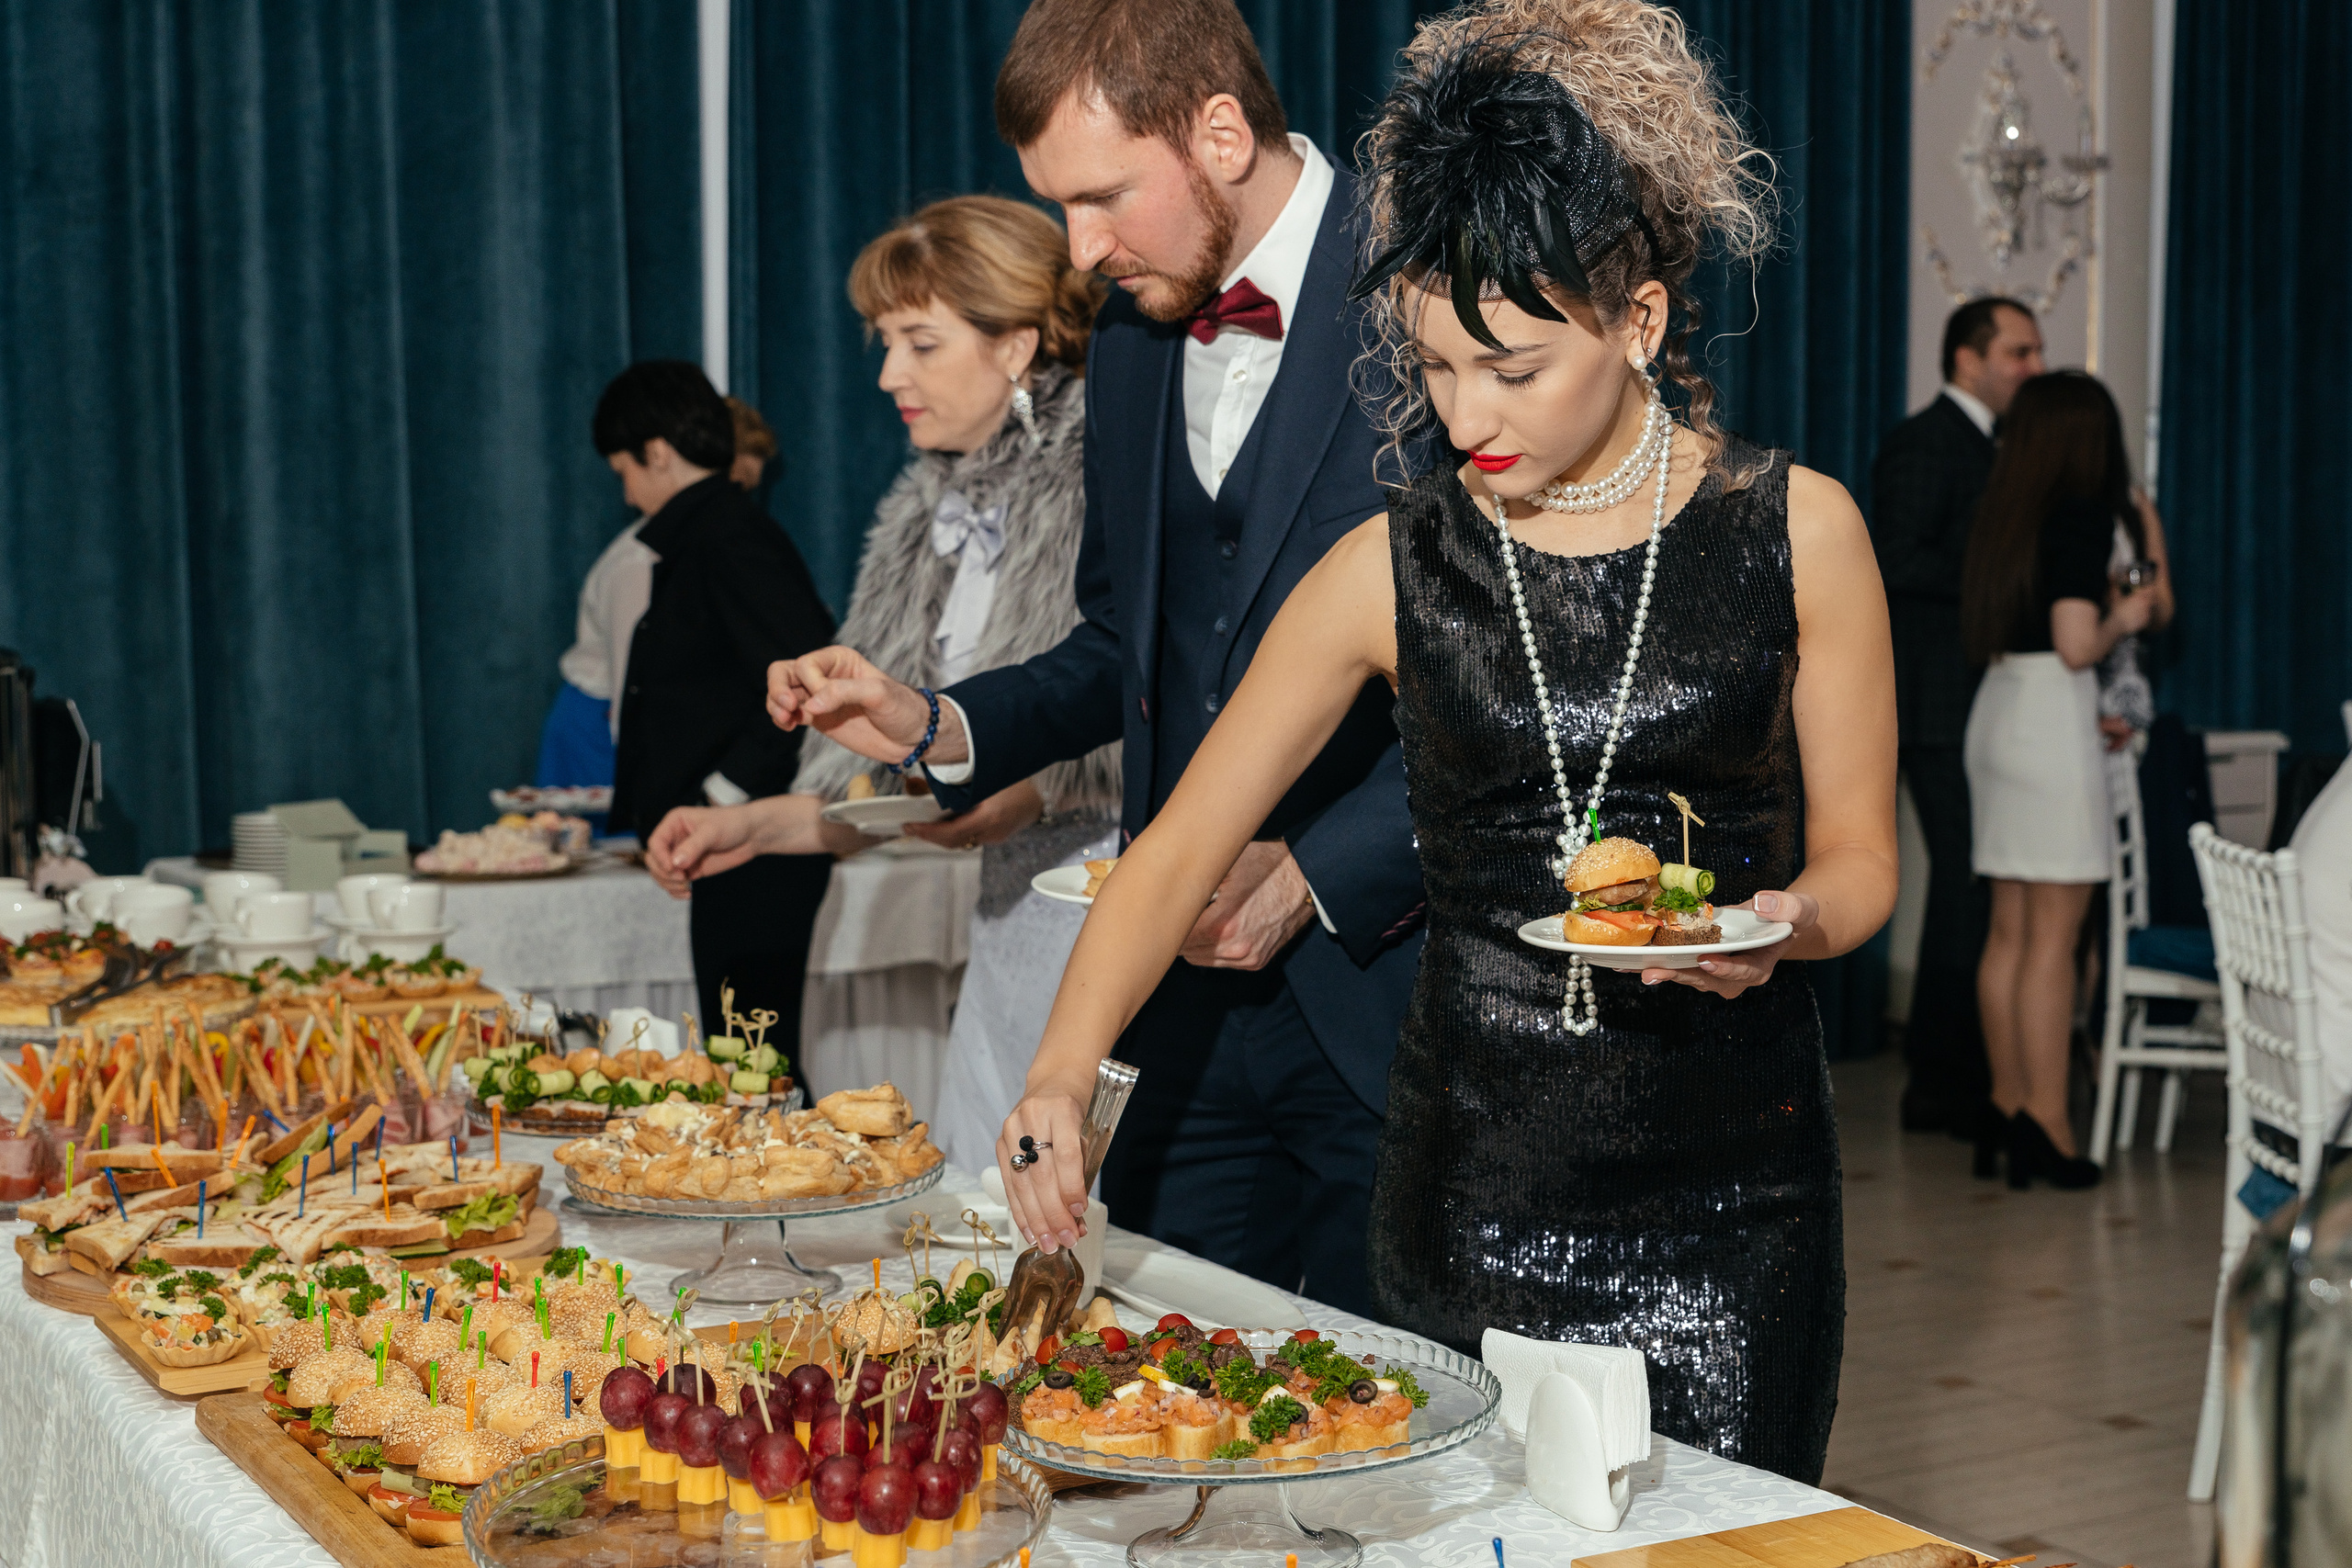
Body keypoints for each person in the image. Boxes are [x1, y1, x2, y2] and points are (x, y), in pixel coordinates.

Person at [776, 0, 1896, 1484]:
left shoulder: (1801, 531)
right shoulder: (1393, 563)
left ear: (1639, 322)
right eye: (1434, 369)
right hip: (1468, 1185)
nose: (1468, 415)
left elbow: (1866, 865)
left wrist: (1787, 922)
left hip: (1732, 1200)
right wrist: (1059, 1068)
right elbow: (1174, 842)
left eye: (1511, 369)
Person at [755, 0, 1430, 1316]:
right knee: (1150, 1392)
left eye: (1104, 196)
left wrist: (1314, 869)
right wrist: (932, 718)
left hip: (1387, 992)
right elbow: (1122, 641)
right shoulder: (1129, 334)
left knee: (1390, 1444)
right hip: (1172, 1007)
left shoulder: (1432, 294)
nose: (1080, 250)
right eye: (1057, 206)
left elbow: (1508, 683)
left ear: (1222, 133)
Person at [644, 196, 1118, 1156]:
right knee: (997, 1219)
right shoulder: (920, 517)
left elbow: (1132, 716)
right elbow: (880, 778)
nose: (890, 374)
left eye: (919, 343)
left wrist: (1022, 796)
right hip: (1010, 913)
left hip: (1127, 909)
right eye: (884, 343)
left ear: (1017, 345)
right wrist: (754, 825)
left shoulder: (1106, 484)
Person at [1960, 371, 2166, 1190]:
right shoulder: (2082, 511)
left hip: (2000, 706)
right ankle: (2048, 1118)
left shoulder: (2007, 508)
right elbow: (2079, 641)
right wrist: (2128, 614)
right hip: (2052, 716)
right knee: (2054, 936)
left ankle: (2008, 1104)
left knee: (2009, 930)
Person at [595, 361, 837, 1037]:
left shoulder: (728, 536)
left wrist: (722, 795)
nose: (628, 493)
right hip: (738, 845)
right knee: (745, 1055)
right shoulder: (710, 534)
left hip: (759, 848)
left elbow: (814, 678)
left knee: (754, 1059)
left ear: (658, 452)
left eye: (625, 472)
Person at [1869, 297, 2044, 1145]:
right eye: (2020, 351)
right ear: (1967, 359)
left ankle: (1967, 1073)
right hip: (1937, 702)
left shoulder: (1994, 446)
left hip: (1977, 701)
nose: (2033, 368)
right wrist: (2002, 577)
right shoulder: (1926, 440)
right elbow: (1895, 555)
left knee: (1973, 888)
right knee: (1966, 887)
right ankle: (1942, 1082)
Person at [537, 395, 785, 793]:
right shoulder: (641, 561)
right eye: (730, 488)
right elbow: (632, 692)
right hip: (600, 736)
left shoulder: (715, 548)